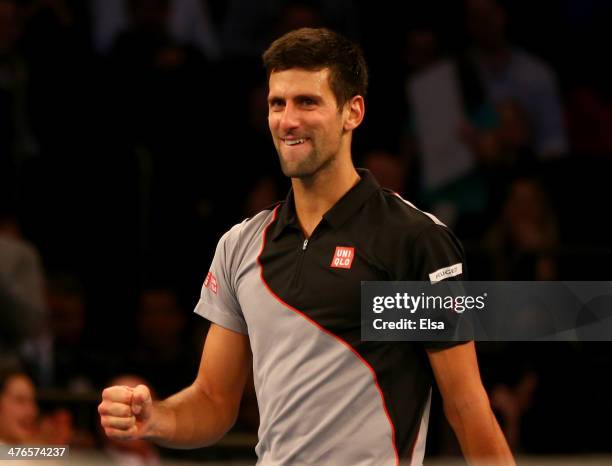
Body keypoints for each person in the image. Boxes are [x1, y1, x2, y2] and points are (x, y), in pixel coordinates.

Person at [99, 28, 515, 465]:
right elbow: (213, 401)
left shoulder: (412, 240)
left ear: (352, 112)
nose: (287, 120)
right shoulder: (241, 246)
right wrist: (156, 419)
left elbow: (466, 407)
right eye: (277, 103)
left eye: (307, 102)